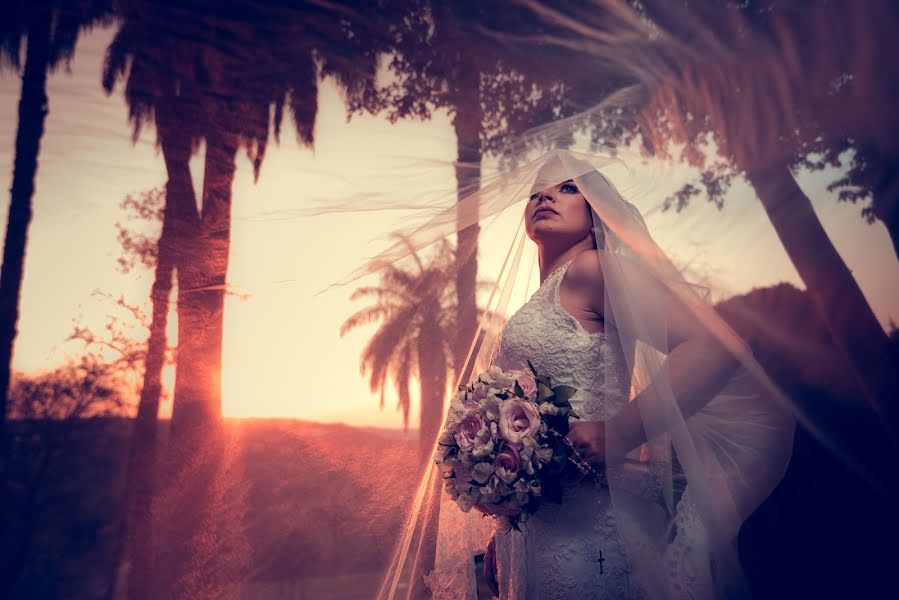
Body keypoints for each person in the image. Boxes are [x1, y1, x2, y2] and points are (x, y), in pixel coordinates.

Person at [364, 149, 794, 599]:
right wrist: (509, 518)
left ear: (595, 216)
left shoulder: (592, 269)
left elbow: (717, 346)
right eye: (536, 193)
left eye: (568, 188)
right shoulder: (543, 298)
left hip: (590, 528)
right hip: (537, 533)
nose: (545, 196)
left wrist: (622, 430)